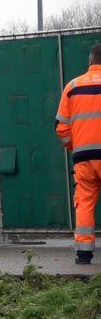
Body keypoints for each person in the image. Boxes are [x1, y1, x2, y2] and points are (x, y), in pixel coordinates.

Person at [55, 42, 101, 265]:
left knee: (84, 202)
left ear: (90, 61)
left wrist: (74, 145)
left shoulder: (72, 87)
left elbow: (61, 127)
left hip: (83, 156)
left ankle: (84, 254)